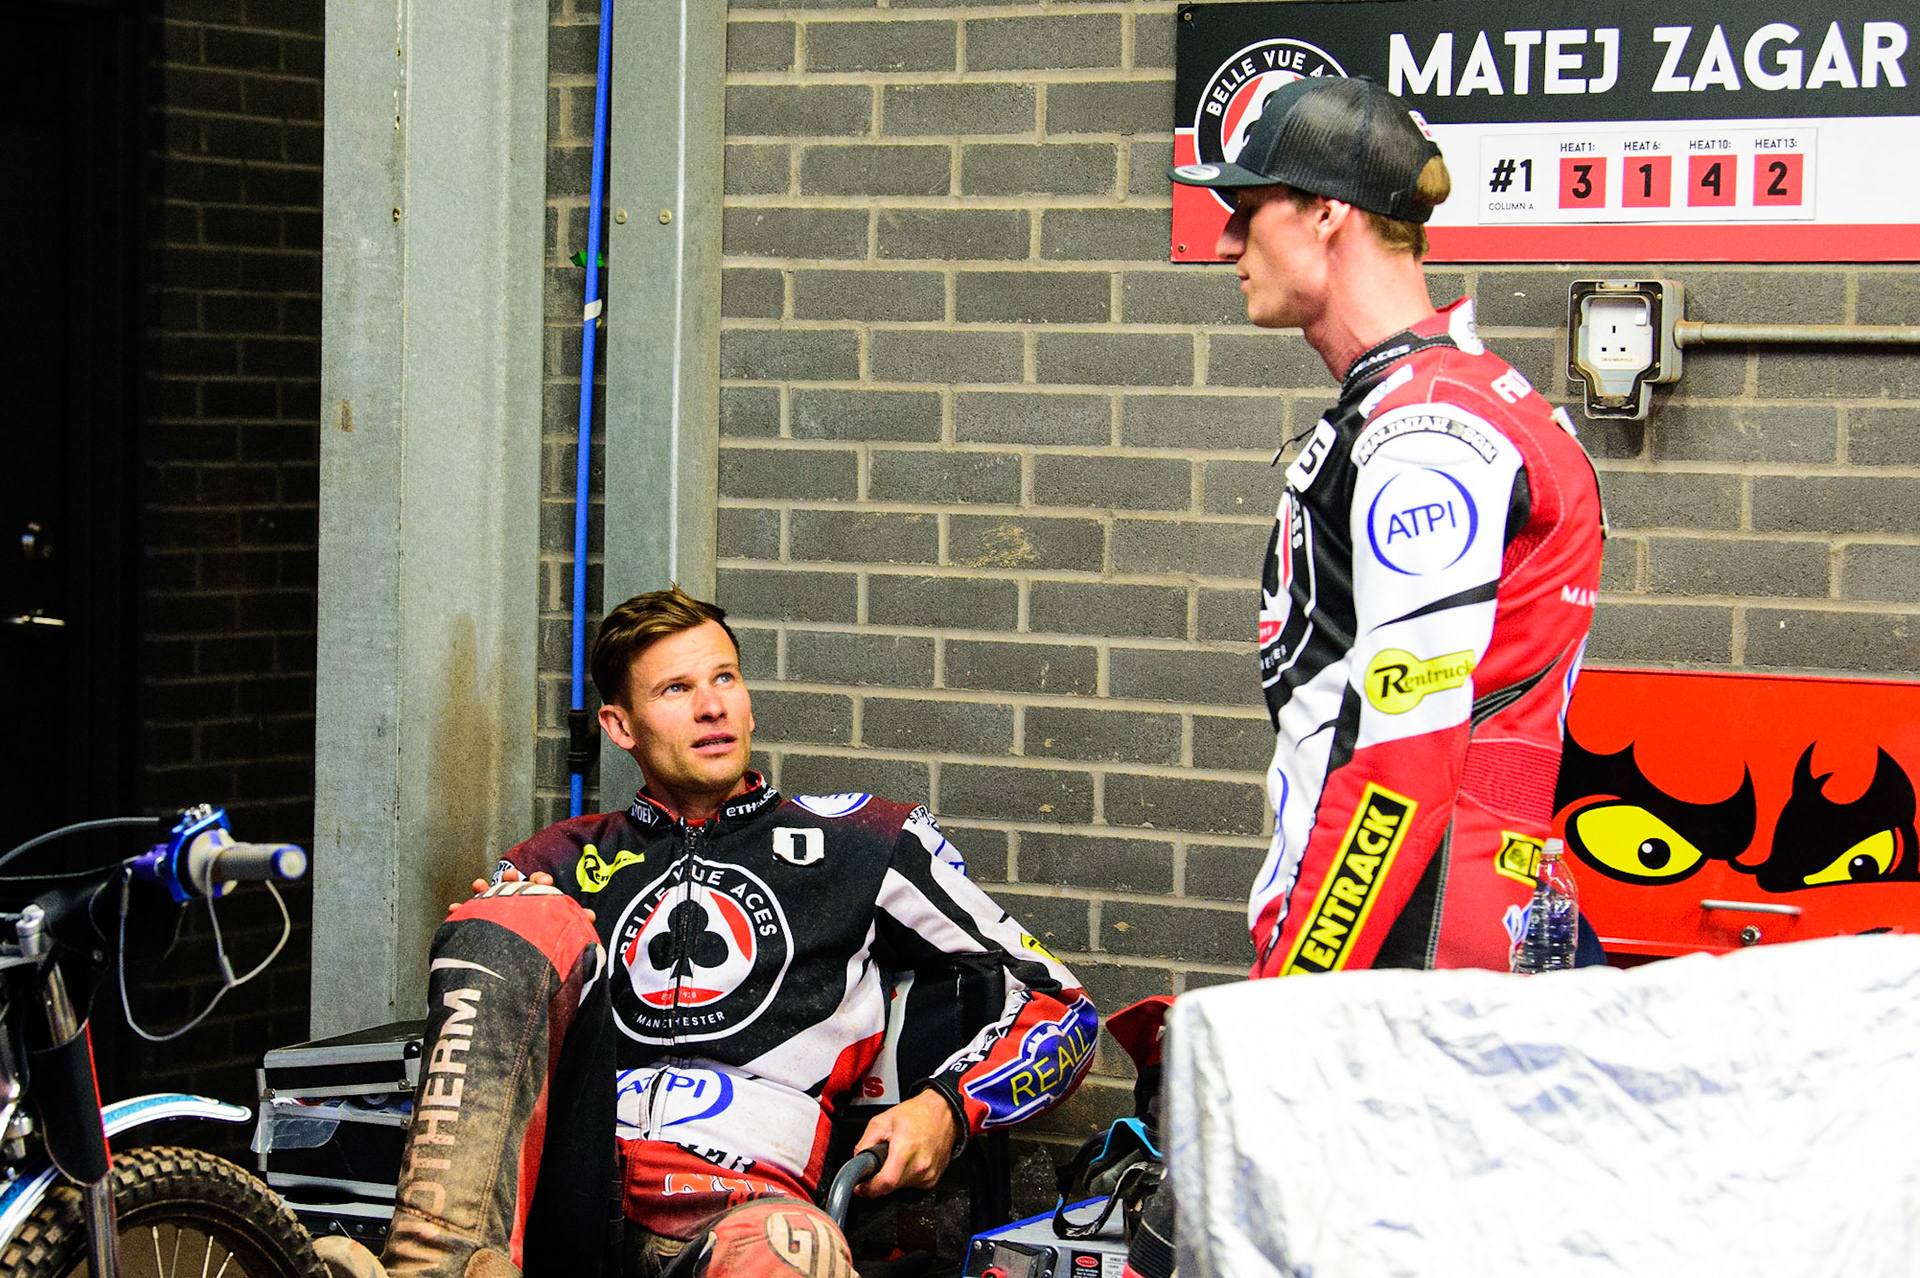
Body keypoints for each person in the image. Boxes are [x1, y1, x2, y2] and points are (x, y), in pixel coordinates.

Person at [319, 586, 1098, 1278]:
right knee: (504, 914)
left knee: (794, 1247)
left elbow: (1064, 1009)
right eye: (677, 689)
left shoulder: (864, 843)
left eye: (725, 678)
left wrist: (948, 1108)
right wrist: (505, 918)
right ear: (620, 727)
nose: (713, 706)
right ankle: (436, 1267)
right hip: (564, 1207)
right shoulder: (556, 862)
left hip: (746, 1213)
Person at [1168, 76, 1606, 979]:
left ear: (1327, 211)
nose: (1226, 243)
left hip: (1415, 932)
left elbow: (1407, 756)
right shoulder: (1451, 401)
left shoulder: (1428, 433)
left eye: (1248, 208)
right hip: (1461, 909)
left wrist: (1302, 988)